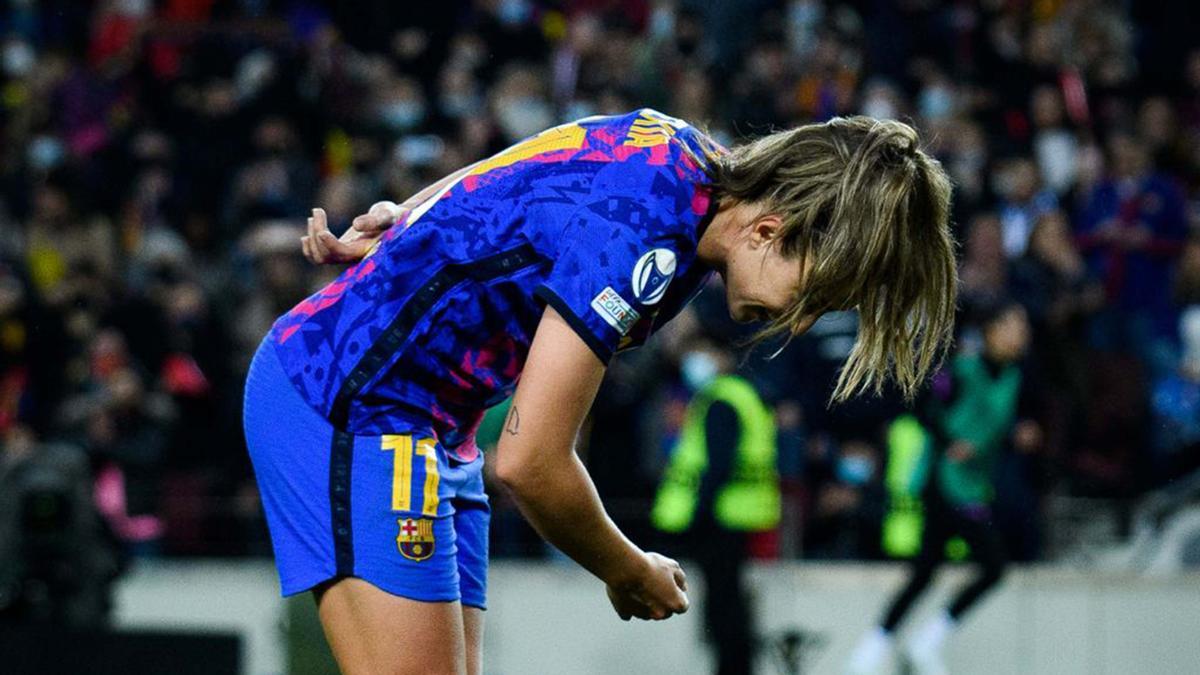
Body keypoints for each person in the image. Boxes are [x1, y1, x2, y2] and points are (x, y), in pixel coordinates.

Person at [243, 108, 957, 674]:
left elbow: (520, 163)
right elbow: (531, 463)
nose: (799, 322)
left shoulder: (676, 149)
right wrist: (628, 568)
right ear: (770, 230)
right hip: (346, 401)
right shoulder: (646, 238)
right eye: (814, 295)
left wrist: (412, 216)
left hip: (431, 425)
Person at [848, 301, 1040, 675]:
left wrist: (1021, 433)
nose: (1022, 334)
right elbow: (924, 406)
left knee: (927, 570)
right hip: (943, 482)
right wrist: (952, 440)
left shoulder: (1017, 376)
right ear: (993, 330)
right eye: (1015, 324)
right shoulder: (963, 370)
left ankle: (874, 651)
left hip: (973, 484)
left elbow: (1011, 422)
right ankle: (919, 644)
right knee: (992, 564)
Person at [652, 339, 780, 675]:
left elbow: (718, 464)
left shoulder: (722, 399)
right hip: (737, 515)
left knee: (725, 609)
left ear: (721, 355)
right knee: (729, 604)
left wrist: (699, 513)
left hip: (721, 518)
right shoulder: (744, 394)